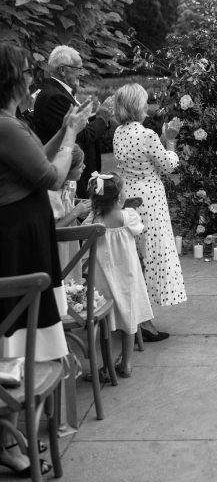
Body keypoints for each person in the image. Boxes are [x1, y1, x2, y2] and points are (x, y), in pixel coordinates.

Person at [0, 42, 92, 477]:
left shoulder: (12, 124)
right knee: (16, 334)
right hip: (15, 238)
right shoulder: (3, 125)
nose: (31, 79)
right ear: (12, 79)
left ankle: (16, 430)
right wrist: (71, 136)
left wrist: (66, 126)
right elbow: (50, 175)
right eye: (25, 72)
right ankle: (8, 438)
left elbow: (37, 156)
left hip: (24, 233)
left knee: (23, 331)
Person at [112, 84, 186, 341]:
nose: (146, 107)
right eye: (144, 103)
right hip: (151, 200)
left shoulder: (119, 132)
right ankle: (144, 322)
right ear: (136, 106)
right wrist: (172, 140)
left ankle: (138, 318)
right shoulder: (146, 135)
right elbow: (167, 165)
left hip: (129, 197)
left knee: (137, 257)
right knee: (153, 256)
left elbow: (141, 159)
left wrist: (163, 140)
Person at [84, 172, 154, 378]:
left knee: (106, 322)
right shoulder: (129, 216)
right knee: (129, 318)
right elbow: (139, 230)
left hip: (103, 277)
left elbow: (82, 234)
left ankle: (106, 368)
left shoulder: (93, 221)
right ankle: (126, 364)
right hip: (128, 274)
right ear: (118, 198)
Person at [33, 46, 114, 197]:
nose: (81, 73)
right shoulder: (55, 97)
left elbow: (76, 126)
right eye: (78, 68)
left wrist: (94, 118)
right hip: (68, 176)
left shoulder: (59, 93)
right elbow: (79, 135)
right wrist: (102, 119)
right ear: (63, 70)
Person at [49, 145, 90, 284]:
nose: (84, 166)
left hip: (70, 245)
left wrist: (82, 210)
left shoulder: (71, 183)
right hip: (55, 249)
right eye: (80, 165)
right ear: (67, 169)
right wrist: (75, 212)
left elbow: (68, 206)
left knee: (71, 279)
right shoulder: (50, 194)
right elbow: (52, 231)